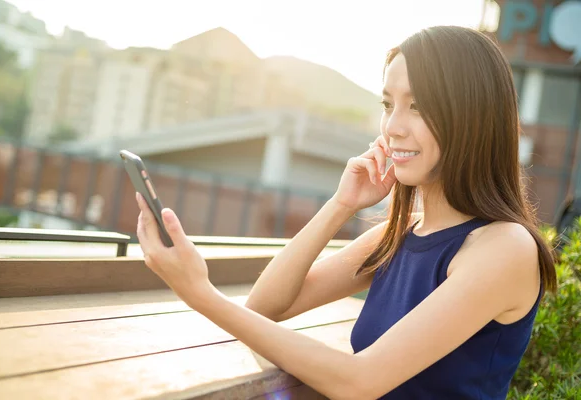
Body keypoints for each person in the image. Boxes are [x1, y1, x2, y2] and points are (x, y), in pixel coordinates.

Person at [135, 25, 557, 400]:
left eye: (420, 106)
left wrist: (198, 293)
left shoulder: (505, 248)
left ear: (472, 119)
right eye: (389, 104)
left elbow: (360, 382)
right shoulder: (400, 236)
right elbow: (265, 307)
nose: (393, 126)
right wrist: (341, 204)